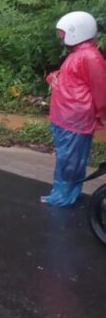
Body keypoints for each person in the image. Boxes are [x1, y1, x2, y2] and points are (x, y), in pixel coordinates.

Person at [41, 11, 106, 206]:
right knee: (65, 157)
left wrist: (102, 112)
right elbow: (71, 77)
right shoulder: (78, 54)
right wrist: (54, 77)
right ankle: (61, 192)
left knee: (71, 160)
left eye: (63, 33)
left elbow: (101, 88)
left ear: (75, 31)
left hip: (75, 119)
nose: (61, 37)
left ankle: (65, 196)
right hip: (65, 116)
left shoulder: (90, 57)